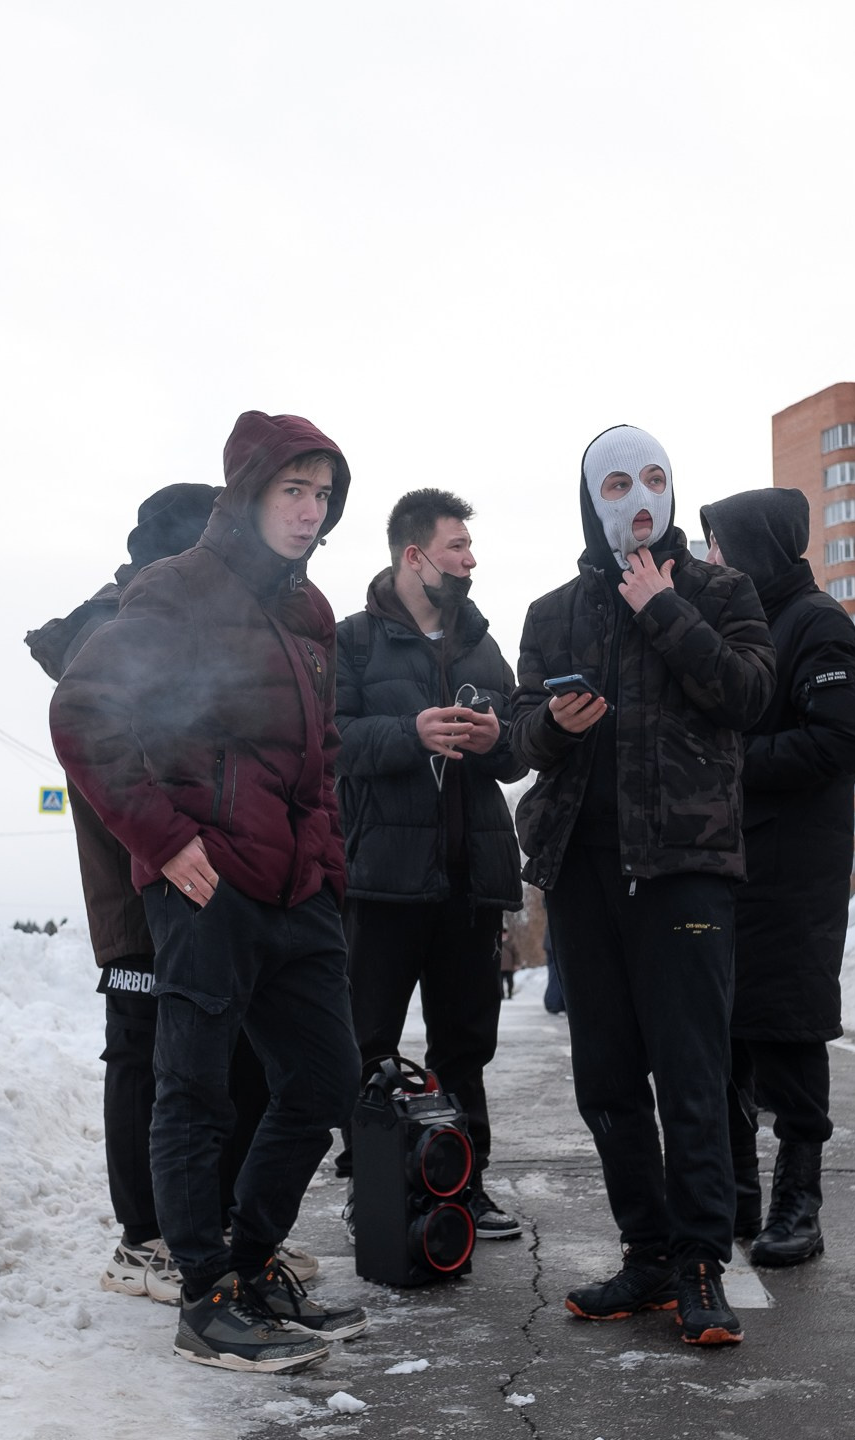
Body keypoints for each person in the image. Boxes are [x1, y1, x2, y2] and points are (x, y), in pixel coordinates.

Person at [51, 412, 364, 1375]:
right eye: (292, 491)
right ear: (250, 493)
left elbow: (320, 763)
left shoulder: (311, 616)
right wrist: (161, 835)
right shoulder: (179, 589)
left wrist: (328, 866)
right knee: (192, 1092)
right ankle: (204, 1295)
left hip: (294, 889)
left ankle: (250, 1258)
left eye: (322, 495)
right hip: (208, 886)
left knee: (324, 1078)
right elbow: (83, 708)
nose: (309, 513)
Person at [511, 424, 775, 1347]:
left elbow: (749, 695)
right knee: (608, 1080)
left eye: (654, 479)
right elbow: (514, 737)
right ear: (591, 499)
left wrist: (665, 608)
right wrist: (549, 722)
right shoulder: (552, 612)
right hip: (587, 871)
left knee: (693, 1075)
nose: (638, 498)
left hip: (686, 871)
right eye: (617, 483)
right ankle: (650, 1251)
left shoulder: (718, 588)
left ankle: (703, 1262)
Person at [23, 483, 315, 1306]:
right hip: (136, 891)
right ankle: (143, 1237)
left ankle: (212, 1221)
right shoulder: (118, 627)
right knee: (145, 1054)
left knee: (217, 1057)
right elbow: (102, 746)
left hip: (205, 889)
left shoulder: (203, 620)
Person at [332, 488, 527, 1241]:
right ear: (414, 556)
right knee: (370, 1042)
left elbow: (518, 746)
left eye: (470, 548)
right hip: (382, 879)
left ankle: (467, 1184)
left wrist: (496, 741)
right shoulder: (353, 642)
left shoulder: (481, 644)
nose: (470, 560)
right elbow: (335, 741)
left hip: (469, 882)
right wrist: (409, 733)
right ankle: (374, 1184)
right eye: (456, 547)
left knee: (465, 1045)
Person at [698, 487, 855, 1268]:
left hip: (795, 866)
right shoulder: (739, 625)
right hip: (732, 860)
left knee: (790, 1030)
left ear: (757, 548)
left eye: (719, 544)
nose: (710, 560)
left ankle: (798, 1200)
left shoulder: (817, 624)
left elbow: (841, 740)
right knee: (726, 1026)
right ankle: (737, 1193)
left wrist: (730, 769)